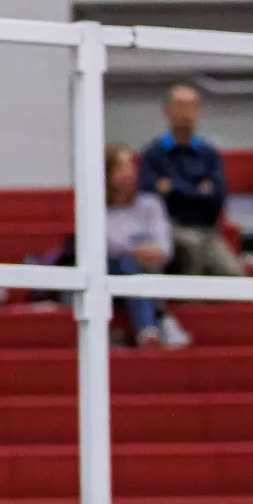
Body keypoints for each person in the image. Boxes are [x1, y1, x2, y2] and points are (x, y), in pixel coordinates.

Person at [139, 85, 247, 278]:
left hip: (208, 230)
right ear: (168, 111)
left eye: (191, 106)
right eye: (179, 106)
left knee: (236, 276)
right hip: (171, 228)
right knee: (190, 247)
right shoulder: (152, 154)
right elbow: (149, 195)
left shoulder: (209, 154)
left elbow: (218, 198)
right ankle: (186, 301)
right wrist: (198, 191)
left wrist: (173, 189)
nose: (186, 112)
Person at [105, 143, 185, 349]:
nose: (128, 173)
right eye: (120, 167)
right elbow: (107, 244)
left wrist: (153, 252)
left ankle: (155, 323)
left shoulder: (150, 204)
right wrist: (135, 250)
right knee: (129, 264)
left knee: (141, 266)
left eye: (130, 166)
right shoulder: (97, 207)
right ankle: (154, 324)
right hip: (112, 270)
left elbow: (165, 245)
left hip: (151, 266)